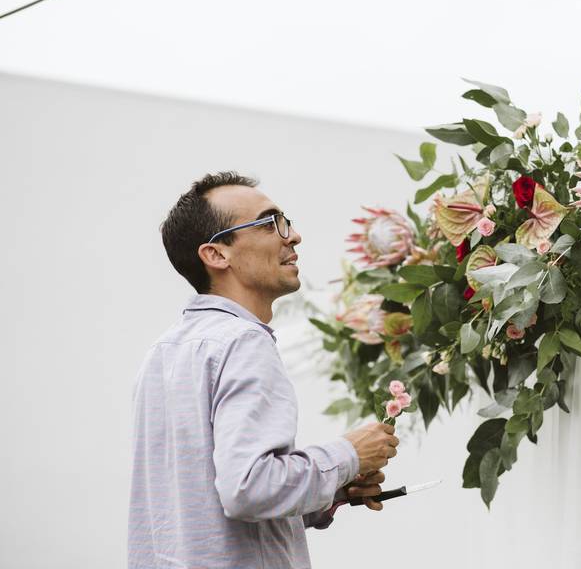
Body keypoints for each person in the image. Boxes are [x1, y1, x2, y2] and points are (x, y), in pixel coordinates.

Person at [128, 171, 399, 568]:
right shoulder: (243, 341)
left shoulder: (161, 353)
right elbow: (248, 489)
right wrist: (348, 454)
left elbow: (204, 509)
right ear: (217, 254)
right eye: (270, 223)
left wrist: (333, 490)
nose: (292, 236)